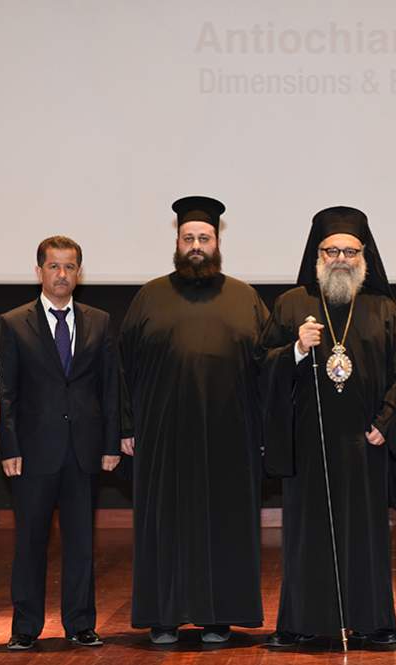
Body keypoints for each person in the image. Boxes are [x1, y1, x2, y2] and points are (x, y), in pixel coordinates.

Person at [119, 196, 269, 645]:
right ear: (177, 242)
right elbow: (122, 368)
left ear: (217, 242)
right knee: (164, 526)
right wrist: (126, 427)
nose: (197, 246)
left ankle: (218, 616)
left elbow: (267, 367)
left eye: (204, 238)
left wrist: (265, 432)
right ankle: (163, 616)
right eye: (189, 238)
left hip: (230, 437)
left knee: (225, 525)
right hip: (163, 437)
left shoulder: (245, 298)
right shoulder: (150, 296)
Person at [258, 206, 396, 647]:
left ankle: (373, 622)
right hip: (310, 443)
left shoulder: (383, 308)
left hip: (366, 442)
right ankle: (302, 623)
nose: (341, 259)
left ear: (364, 256)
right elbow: (262, 366)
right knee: (307, 536)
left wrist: (386, 422)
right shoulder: (291, 304)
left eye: (350, 251)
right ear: (317, 255)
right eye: (332, 251)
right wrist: (296, 350)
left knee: (366, 536)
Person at [0, 236, 120, 650]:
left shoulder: (99, 321)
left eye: (69, 267)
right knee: (30, 542)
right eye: (54, 266)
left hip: (84, 451)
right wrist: (9, 447)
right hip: (32, 453)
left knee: (81, 543)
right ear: (39, 271)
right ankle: (25, 627)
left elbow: (110, 387)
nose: (61, 274)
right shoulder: (14, 322)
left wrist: (110, 444)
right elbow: (5, 392)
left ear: (79, 273)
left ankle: (81, 623)